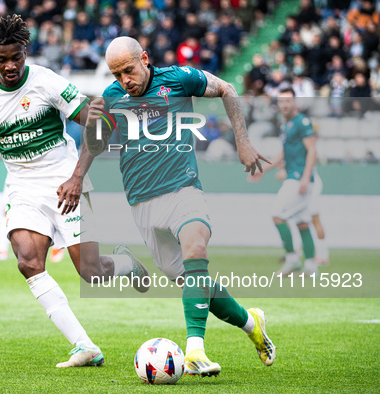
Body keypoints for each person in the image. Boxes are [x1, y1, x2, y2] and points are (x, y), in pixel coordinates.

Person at [84, 36, 276, 377]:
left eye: (128, 70)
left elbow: (228, 89)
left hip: (183, 189)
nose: (124, 80)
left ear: (144, 58)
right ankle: (251, 324)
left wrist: (243, 142)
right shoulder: (113, 98)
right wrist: (94, 125)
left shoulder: (178, 78)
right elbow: (97, 145)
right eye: (117, 75)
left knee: (196, 250)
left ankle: (195, 352)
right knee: (192, 280)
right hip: (141, 202)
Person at [0, 15, 149, 368]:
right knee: (28, 262)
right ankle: (85, 346)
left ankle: (126, 262)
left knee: (92, 274)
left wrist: (78, 177)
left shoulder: (46, 82)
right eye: (1, 59)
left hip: (67, 182)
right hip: (21, 189)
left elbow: (100, 123)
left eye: (16, 57)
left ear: (25, 51)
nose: (10, 66)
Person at [249, 88, 320, 275]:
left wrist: (305, 176)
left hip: (298, 179)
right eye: (281, 101)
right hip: (294, 177)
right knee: (302, 222)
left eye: (288, 101)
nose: (285, 105)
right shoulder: (285, 124)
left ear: (295, 102)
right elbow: (282, 154)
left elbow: (312, 150)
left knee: (277, 215)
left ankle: (292, 259)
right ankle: (311, 265)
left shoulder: (302, 122)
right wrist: (263, 170)